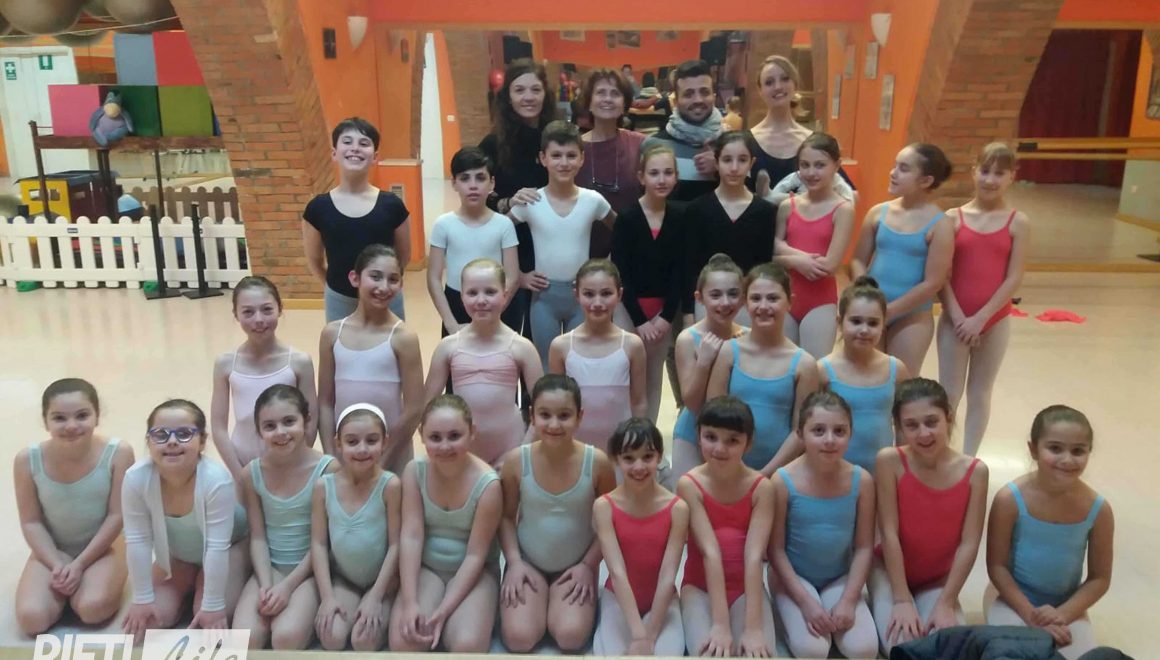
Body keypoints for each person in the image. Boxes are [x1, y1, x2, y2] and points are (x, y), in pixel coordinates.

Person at [498, 375, 617, 652]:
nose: (554, 424)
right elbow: (505, 518)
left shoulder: (597, 462)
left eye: (564, 415)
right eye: (545, 415)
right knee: (519, 638)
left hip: (576, 564)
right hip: (528, 562)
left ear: (580, 416)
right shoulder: (517, 461)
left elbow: (610, 522)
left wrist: (588, 565)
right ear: (532, 416)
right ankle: (539, 599)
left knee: (570, 636)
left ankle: (560, 602)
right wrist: (514, 563)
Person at [985, 405, 1113, 660]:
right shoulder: (1009, 499)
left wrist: (1063, 614)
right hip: (1012, 600)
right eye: (1055, 448)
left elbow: (1100, 578)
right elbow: (997, 567)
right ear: (1033, 449)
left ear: (1089, 452)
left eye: (1078, 451)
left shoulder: (1099, 510)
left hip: (1067, 607)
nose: (1067, 460)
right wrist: (1030, 615)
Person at [870, 378, 987, 653]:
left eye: (931, 422)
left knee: (946, 647)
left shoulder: (975, 472)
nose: (923, 433)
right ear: (899, 427)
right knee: (902, 647)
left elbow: (970, 542)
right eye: (911, 425)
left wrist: (947, 601)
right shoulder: (889, 461)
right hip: (889, 571)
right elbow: (889, 532)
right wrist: (901, 599)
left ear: (949, 417)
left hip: (938, 580)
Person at [120, 399, 250, 644]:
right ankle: (191, 579)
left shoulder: (216, 480)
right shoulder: (136, 478)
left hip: (230, 549)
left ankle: (203, 585)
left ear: (202, 441)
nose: (172, 441)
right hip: (179, 557)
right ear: (148, 441)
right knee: (150, 622)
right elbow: (137, 540)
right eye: (161, 434)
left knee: (205, 621)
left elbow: (217, 546)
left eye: (184, 434)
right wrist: (141, 598)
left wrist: (213, 605)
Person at [14, 379, 134, 635]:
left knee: (92, 608)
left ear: (97, 416)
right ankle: (63, 584)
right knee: (32, 619)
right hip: (54, 547)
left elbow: (117, 516)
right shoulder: (27, 460)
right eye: (59, 418)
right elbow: (31, 522)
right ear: (45, 421)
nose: (71, 426)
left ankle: (89, 582)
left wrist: (80, 564)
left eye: (82, 416)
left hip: (105, 546)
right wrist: (55, 563)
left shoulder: (119, 453)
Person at [389, 395, 503, 653]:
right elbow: (411, 536)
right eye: (435, 437)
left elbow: (476, 555)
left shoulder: (488, 484)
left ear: (472, 432)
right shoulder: (414, 471)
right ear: (421, 435)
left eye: (454, 436)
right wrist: (410, 601)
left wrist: (443, 610)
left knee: (466, 645)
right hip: (429, 568)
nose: (444, 446)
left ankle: (481, 610)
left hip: (475, 571)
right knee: (404, 642)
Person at [768, 391, 878, 659]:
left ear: (850, 434)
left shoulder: (862, 480)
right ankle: (782, 616)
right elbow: (775, 550)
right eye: (818, 430)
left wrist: (849, 600)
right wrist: (805, 602)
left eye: (839, 431)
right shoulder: (782, 481)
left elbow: (864, 547)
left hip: (838, 577)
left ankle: (825, 606)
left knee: (863, 650)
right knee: (812, 651)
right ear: (800, 434)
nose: (829, 440)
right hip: (793, 578)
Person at [938, 142, 1030, 456]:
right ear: (973, 171)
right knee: (949, 393)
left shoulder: (1018, 222)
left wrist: (981, 319)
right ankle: (942, 455)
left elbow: (1014, 277)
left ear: (1012, 177)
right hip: (955, 319)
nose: (990, 180)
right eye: (985, 171)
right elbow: (941, 275)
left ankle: (969, 458)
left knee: (980, 391)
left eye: (999, 173)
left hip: (994, 320)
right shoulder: (952, 218)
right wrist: (958, 317)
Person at [235, 385, 338, 650]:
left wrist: (288, 587)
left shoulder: (329, 470)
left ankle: (305, 619)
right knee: (246, 639)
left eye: (289, 421)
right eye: (269, 426)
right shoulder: (251, 474)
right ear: (258, 431)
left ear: (306, 420)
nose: (280, 432)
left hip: (311, 570)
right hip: (270, 568)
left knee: (285, 638)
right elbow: (257, 537)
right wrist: (266, 585)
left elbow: (325, 543)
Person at [509, 120, 616, 368]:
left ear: (582, 158)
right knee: (546, 365)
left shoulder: (593, 200)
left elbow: (624, 233)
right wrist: (519, 276)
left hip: (582, 297)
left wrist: (607, 269)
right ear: (543, 158)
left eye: (571, 155)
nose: (564, 162)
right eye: (556, 155)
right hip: (544, 298)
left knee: (580, 364)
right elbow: (497, 234)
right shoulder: (531, 201)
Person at [678, 396, 778, 656]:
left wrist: (753, 628)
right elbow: (710, 551)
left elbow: (754, 556)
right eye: (711, 437)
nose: (720, 448)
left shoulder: (762, 488)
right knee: (711, 653)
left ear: (748, 442)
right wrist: (720, 625)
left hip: (746, 587)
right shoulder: (689, 484)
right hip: (700, 587)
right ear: (698, 436)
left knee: (757, 653)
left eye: (732, 440)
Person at [425, 259, 543, 466]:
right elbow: (427, 407)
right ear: (461, 297)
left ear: (505, 295)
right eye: (472, 293)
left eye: (490, 292)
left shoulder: (522, 348)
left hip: (511, 448)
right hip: (460, 452)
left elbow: (543, 409)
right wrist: (441, 447)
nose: (481, 300)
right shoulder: (448, 347)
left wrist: (521, 452)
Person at [318, 244, 424, 474]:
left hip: (391, 457)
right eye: (375, 277)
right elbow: (325, 402)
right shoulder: (332, 334)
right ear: (354, 278)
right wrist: (330, 456)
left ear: (401, 285)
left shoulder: (403, 338)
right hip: (346, 456)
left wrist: (381, 463)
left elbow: (414, 409)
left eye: (393, 279)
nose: (383, 287)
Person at [851, 143, 954, 376]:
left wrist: (889, 310)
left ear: (926, 181)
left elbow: (933, 282)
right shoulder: (878, 212)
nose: (893, 173)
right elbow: (857, 260)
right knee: (867, 377)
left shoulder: (940, 224)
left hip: (912, 316)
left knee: (901, 381)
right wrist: (864, 293)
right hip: (871, 310)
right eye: (895, 165)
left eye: (904, 169)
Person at [707, 263, 818, 476]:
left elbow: (800, 432)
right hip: (728, 470)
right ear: (745, 302)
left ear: (790, 302)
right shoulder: (728, 352)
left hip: (779, 475)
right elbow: (712, 418)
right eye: (756, 298)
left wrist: (765, 474)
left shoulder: (804, 364)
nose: (763, 306)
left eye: (773, 298)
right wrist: (734, 470)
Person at [592, 418, 689, 656]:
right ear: (616, 459)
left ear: (660, 457)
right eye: (629, 458)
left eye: (647, 457)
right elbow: (617, 572)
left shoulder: (677, 508)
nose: (639, 467)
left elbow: (668, 575)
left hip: (663, 602)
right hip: (618, 599)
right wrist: (638, 635)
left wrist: (651, 635)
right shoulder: (604, 506)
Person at [311, 404, 402, 651]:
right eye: (352, 442)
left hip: (383, 583)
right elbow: (318, 544)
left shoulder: (391, 485)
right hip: (344, 581)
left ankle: (386, 609)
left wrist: (376, 596)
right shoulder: (324, 486)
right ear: (338, 444)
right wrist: (327, 597)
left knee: (364, 642)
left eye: (371, 441)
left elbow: (396, 545)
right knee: (332, 637)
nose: (362, 449)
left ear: (384, 442)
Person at [303, 117, 411, 321]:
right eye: (347, 142)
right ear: (334, 153)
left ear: (375, 156)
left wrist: (384, 285)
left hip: (386, 297)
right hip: (339, 299)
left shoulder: (392, 205)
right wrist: (335, 289)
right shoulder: (318, 208)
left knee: (393, 341)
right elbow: (314, 261)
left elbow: (403, 257)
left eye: (364, 143)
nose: (355, 148)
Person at [480, 59, 557, 344]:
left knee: (542, 340)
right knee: (508, 336)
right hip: (509, 249)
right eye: (520, 90)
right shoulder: (492, 144)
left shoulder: (556, 139)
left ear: (545, 94)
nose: (528, 97)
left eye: (535, 89)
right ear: (508, 96)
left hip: (550, 247)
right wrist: (508, 202)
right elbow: (481, 197)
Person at [211, 276, 318, 479]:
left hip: (290, 469)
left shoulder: (299, 362)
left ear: (280, 309)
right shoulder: (225, 364)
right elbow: (218, 428)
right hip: (243, 464)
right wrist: (241, 475)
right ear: (236, 315)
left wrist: (293, 466)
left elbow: (310, 422)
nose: (259, 319)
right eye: (248, 312)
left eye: (267, 309)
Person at [610, 144, 687, 424]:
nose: (661, 179)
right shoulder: (627, 218)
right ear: (641, 177)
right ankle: (624, 435)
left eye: (668, 173)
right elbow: (621, 272)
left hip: (662, 311)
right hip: (629, 308)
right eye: (654, 173)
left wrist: (666, 317)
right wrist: (640, 320)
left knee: (654, 377)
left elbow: (681, 271)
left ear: (676, 176)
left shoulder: (680, 217)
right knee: (626, 376)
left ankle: (648, 437)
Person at [772, 132, 855, 358]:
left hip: (820, 301)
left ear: (836, 165)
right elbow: (771, 254)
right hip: (785, 297)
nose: (811, 172)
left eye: (820, 165)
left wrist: (786, 254)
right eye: (805, 165)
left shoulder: (843, 209)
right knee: (785, 367)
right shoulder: (787, 206)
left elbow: (829, 265)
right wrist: (797, 261)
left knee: (814, 367)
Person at [549, 260, 647, 451]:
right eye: (589, 294)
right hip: (575, 451)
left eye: (606, 293)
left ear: (619, 294)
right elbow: (557, 404)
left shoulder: (632, 345)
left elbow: (639, 402)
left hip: (620, 450)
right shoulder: (561, 346)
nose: (597, 303)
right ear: (576, 294)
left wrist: (637, 445)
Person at [818, 278, 910, 473]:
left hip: (882, 474)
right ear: (839, 322)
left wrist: (903, 469)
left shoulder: (896, 369)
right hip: (834, 474)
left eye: (873, 323)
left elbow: (904, 427)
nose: (864, 330)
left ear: (883, 325)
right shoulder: (823, 370)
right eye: (856, 321)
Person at [685, 131, 776, 326]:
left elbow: (765, 265)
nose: (734, 168)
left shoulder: (765, 211)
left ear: (751, 163)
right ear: (716, 162)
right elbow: (689, 266)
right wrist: (687, 313)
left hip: (749, 303)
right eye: (727, 160)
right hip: (707, 302)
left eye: (742, 160)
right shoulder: (697, 209)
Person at [427, 147, 520, 336]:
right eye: (464, 178)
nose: (473, 185)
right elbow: (433, 278)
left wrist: (494, 312)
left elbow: (513, 277)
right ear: (454, 183)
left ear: (492, 182)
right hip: (456, 305)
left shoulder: (504, 225)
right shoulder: (443, 224)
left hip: (497, 305)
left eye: (480, 178)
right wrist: (450, 323)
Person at [671, 254, 746, 480]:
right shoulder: (688, 339)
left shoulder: (748, 338)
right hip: (693, 432)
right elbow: (692, 403)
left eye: (733, 294)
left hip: (735, 432)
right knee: (689, 496)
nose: (725, 302)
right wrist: (704, 362)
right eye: (715, 295)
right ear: (699, 298)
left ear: (743, 297)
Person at [749, 55, 855, 204]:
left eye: (785, 79)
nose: (778, 86)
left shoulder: (815, 142)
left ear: (795, 84)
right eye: (769, 82)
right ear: (760, 90)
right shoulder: (746, 142)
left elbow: (850, 193)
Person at [576, 68, 648, 258]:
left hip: (631, 250)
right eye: (601, 92)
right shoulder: (573, 148)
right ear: (589, 102)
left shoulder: (640, 144)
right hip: (580, 252)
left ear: (624, 104)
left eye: (615, 93)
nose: (607, 99)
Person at [642, 59, 722, 203]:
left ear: (714, 97)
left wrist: (721, 168)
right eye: (688, 94)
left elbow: (745, 203)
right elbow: (647, 206)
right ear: (675, 101)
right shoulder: (653, 145)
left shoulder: (731, 146)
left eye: (704, 92)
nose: (698, 100)